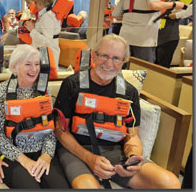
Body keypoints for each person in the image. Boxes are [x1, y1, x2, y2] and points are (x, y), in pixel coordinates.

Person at [54, 34, 181, 189]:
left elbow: (132, 135)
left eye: (116, 58)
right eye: (104, 56)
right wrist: (89, 158)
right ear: (94, 55)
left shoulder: (129, 92)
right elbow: (60, 131)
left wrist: (133, 158)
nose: (109, 63)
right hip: (76, 152)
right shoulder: (72, 85)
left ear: (123, 62)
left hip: (114, 152)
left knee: (171, 183)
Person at [0, 44, 70, 189]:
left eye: (37, 64)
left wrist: (46, 156)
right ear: (15, 67)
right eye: (28, 64)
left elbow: (50, 130)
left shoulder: (43, 90)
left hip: (41, 153)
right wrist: (24, 160)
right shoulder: (3, 91)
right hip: (13, 156)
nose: (34, 69)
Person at [112, 0, 185, 63]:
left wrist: (133, 17)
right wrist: (174, 4)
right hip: (144, 41)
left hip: (125, 38)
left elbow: (115, 14)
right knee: (143, 70)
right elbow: (153, 5)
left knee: (125, 68)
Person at [24, 0, 61, 66]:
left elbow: (47, 41)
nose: (35, 4)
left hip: (47, 57)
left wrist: (32, 30)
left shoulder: (47, 16)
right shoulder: (47, 14)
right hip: (45, 55)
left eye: (36, 2)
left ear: (42, 1)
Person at [155, 0, 182, 68]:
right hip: (156, 39)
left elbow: (176, 15)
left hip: (169, 39)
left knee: (163, 66)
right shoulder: (157, 4)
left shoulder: (177, 5)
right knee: (154, 65)